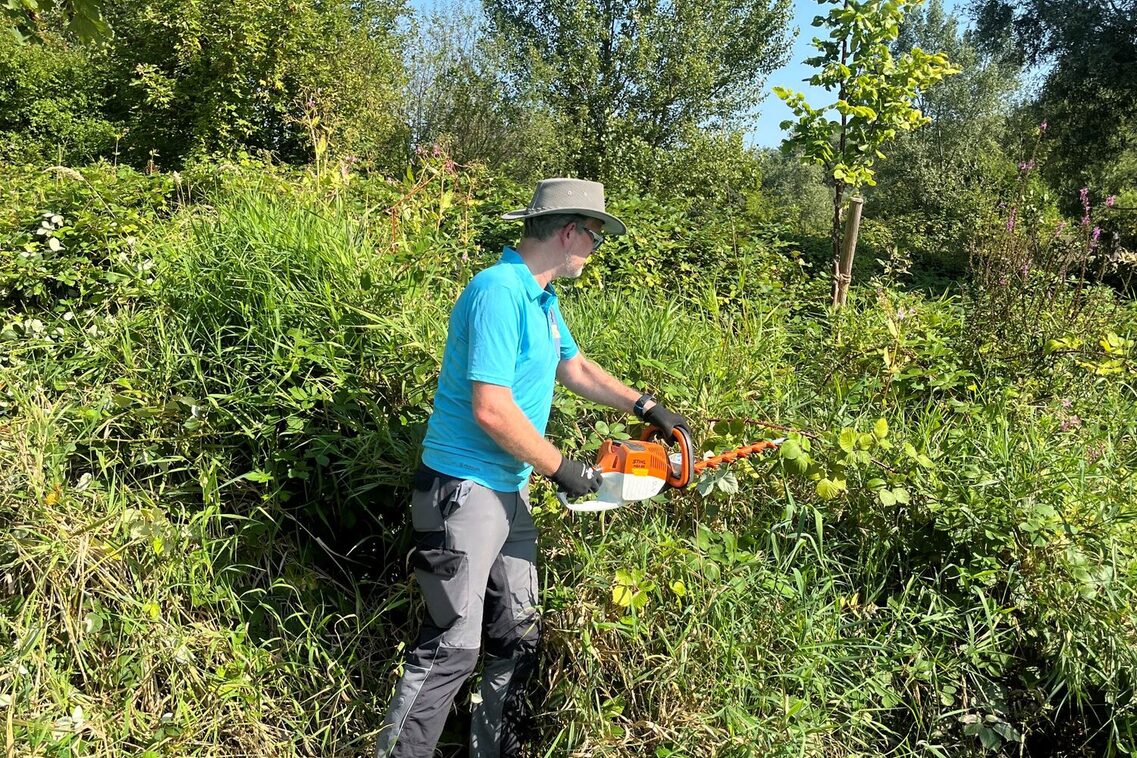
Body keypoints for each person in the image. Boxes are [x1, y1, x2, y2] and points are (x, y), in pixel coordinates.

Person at [375, 178, 689, 757]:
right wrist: (561, 467)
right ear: (569, 231)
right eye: (594, 236)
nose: (595, 249)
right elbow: (491, 408)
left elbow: (578, 369)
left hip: (507, 494)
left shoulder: (542, 298)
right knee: (452, 647)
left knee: (515, 637)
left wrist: (648, 407)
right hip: (463, 491)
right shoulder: (498, 290)